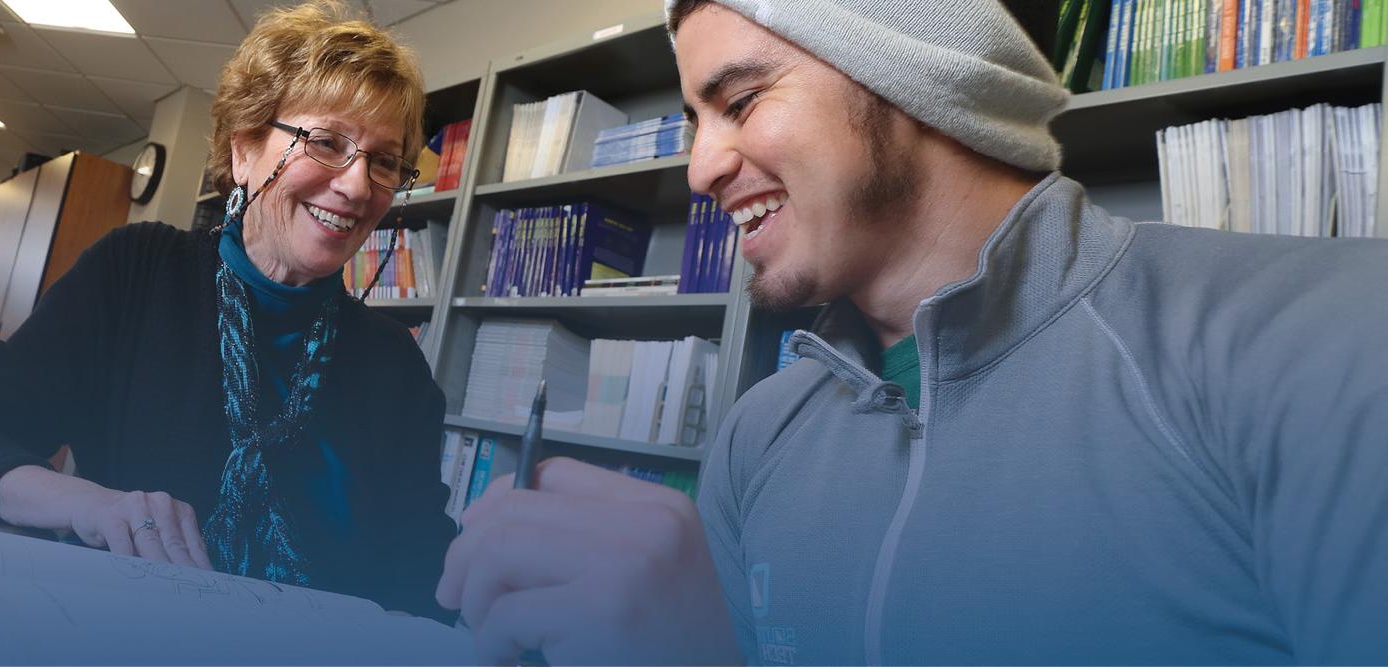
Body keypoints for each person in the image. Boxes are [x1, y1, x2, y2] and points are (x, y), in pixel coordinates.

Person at [439, 0, 1388, 663]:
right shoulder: (757, 435)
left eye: (738, 102)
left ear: (907, 79)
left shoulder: (1318, 341)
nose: (700, 169)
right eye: (694, 118)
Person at [0, 0, 455, 619]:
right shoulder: (139, 274)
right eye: (327, 142)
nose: (358, 186)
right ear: (245, 151)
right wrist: (91, 505)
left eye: (383, 162)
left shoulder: (395, 364)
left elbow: (419, 568)